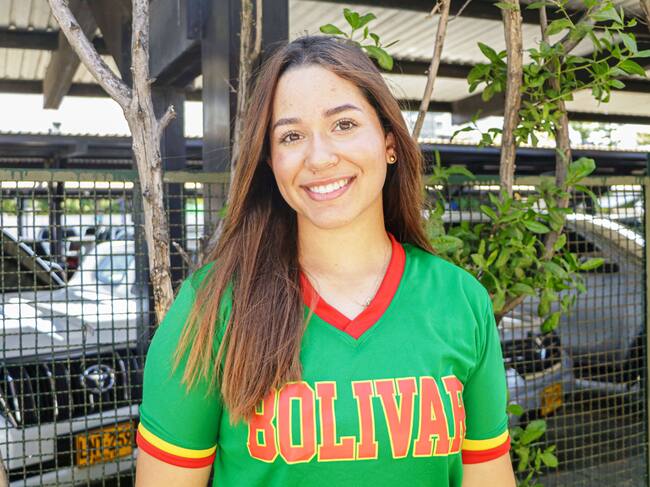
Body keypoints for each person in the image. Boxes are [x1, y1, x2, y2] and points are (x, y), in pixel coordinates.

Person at [135, 35, 516, 487]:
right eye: (292, 136)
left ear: (389, 141)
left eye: (344, 124)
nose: (319, 157)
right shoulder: (210, 308)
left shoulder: (460, 301)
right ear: (270, 162)